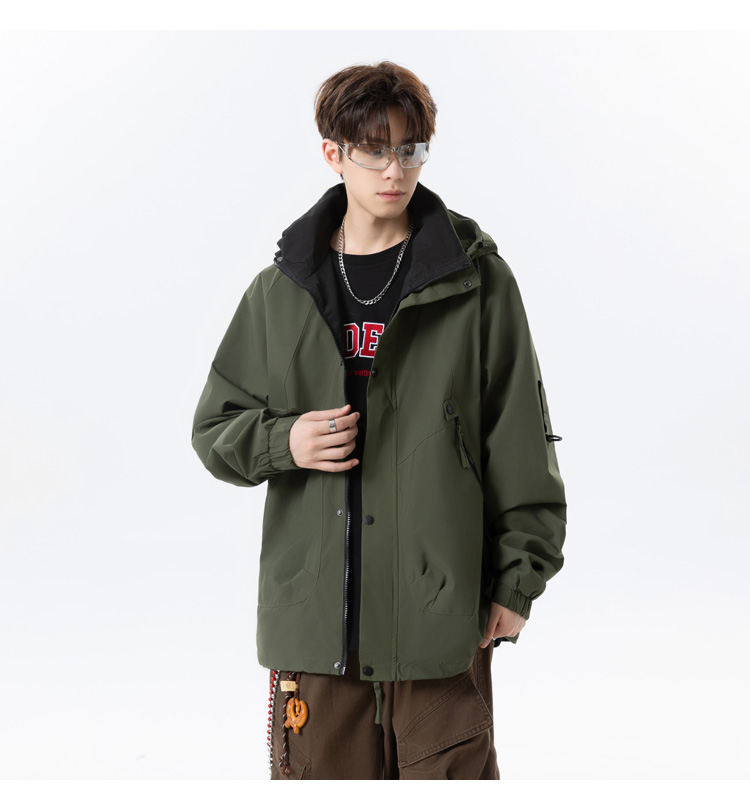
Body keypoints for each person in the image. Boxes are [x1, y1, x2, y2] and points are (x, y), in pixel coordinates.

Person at [191, 60, 567, 780]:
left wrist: (517, 581)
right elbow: (214, 429)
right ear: (332, 153)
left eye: (410, 149)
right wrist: (285, 441)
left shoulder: (477, 283)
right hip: (314, 629)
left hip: (439, 617)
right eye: (373, 150)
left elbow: (517, 435)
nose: (395, 170)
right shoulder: (281, 292)